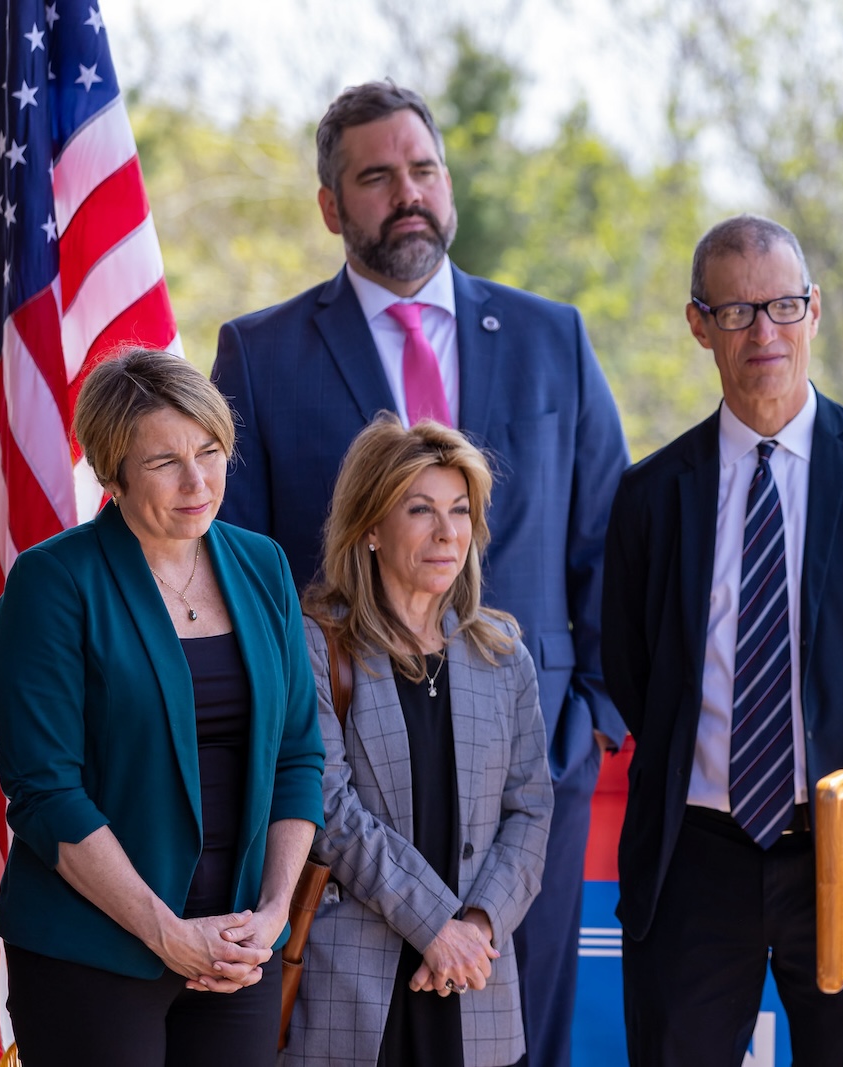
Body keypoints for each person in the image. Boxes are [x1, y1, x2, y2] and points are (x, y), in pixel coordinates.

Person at [212, 81, 626, 1064]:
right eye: (375, 175)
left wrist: (588, 717)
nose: (407, 192)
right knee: (356, 1035)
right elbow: (241, 564)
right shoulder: (260, 354)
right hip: (344, 769)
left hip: (530, 769)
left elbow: (608, 535)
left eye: (423, 169)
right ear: (331, 205)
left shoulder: (548, 336)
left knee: (521, 1035)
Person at [601, 214, 843, 1066]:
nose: (763, 332)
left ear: (814, 310)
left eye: (782, 306)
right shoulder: (652, 497)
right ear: (699, 325)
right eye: (736, 312)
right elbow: (632, 668)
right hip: (694, 858)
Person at [0, 350, 324, 1066]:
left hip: (237, 948)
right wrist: (166, 931)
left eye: (209, 450)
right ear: (112, 474)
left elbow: (299, 752)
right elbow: (46, 790)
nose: (197, 481)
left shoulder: (262, 564)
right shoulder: (54, 581)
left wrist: (271, 914)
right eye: (164, 462)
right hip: (93, 951)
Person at [283, 416, 552, 1067]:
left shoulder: (503, 652)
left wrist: (477, 929)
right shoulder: (318, 642)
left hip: (475, 986)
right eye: (421, 509)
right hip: (356, 990)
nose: (447, 531)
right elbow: (329, 809)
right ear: (371, 527)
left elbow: (532, 807)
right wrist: (435, 926)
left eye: (460, 510)